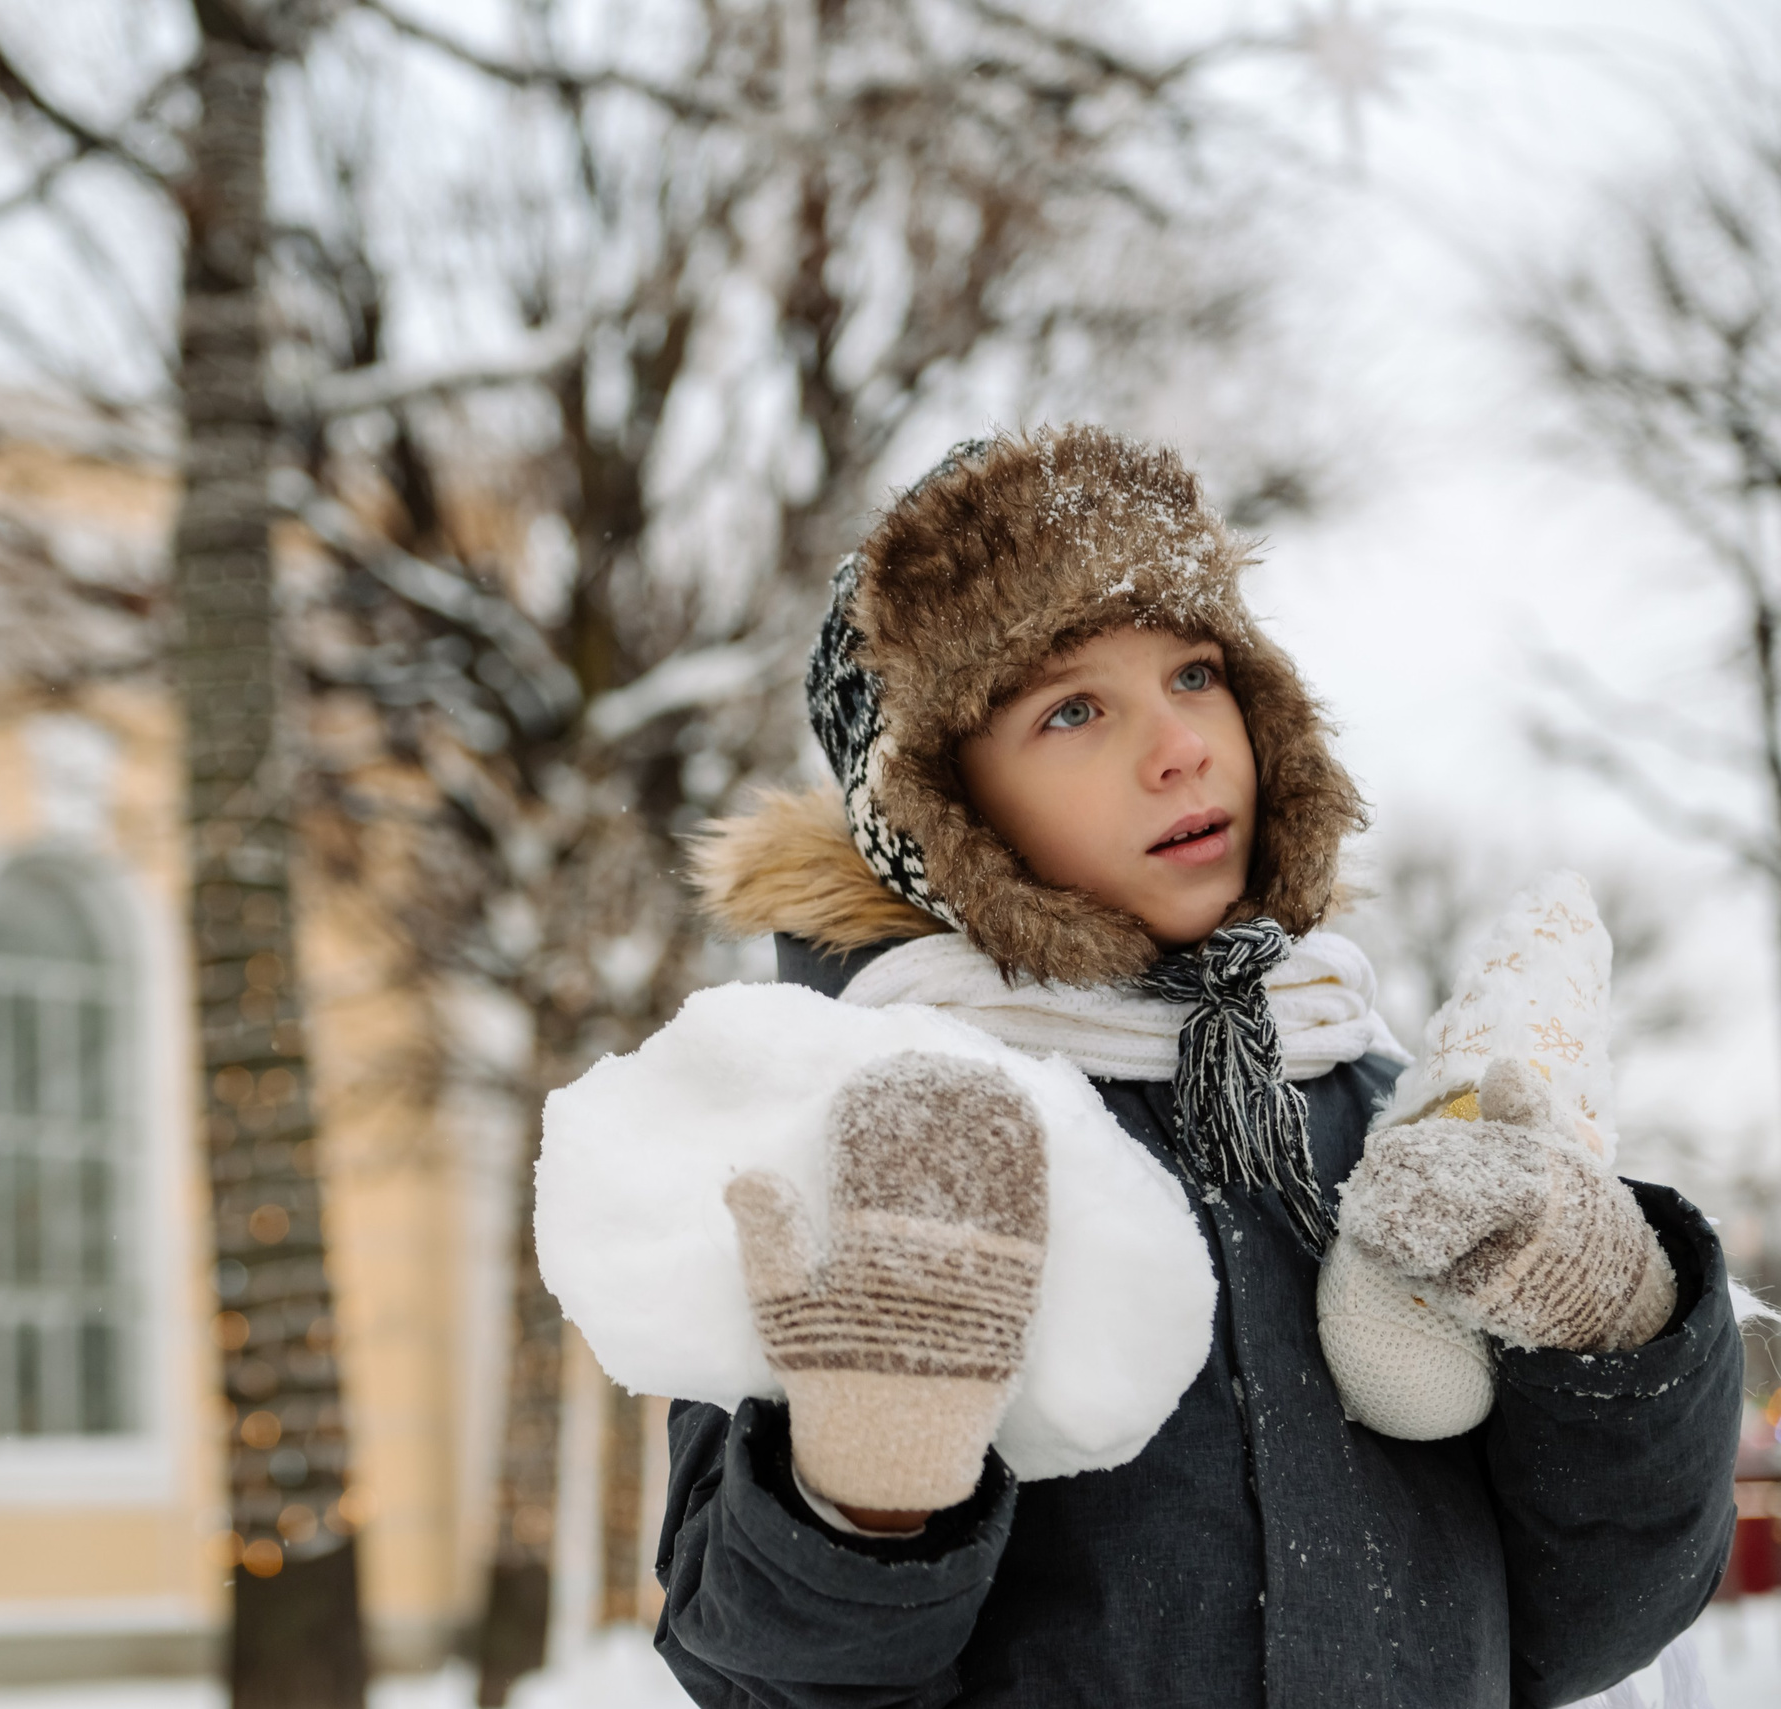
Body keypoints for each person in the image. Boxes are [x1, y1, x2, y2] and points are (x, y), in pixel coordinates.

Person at [656, 427, 1743, 1707]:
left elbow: (1585, 1625)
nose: (1177, 745)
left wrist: (1611, 1324)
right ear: (941, 813)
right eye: (1071, 708)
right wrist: (864, 1482)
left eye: (1193, 670)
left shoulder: (1367, 1104)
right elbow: (761, 1681)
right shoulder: (862, 1134)